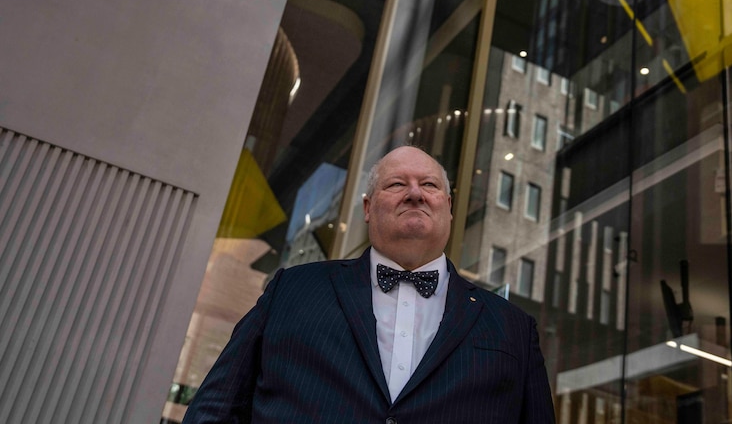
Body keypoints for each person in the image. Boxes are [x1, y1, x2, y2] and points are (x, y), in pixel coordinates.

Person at [183, 145, 556, 423]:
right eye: (397, 184)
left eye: (428, 184)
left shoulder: (513, 327)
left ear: (448, 205)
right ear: (367, 207)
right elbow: (216, 407)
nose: (415, 193)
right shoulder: (292, 289)